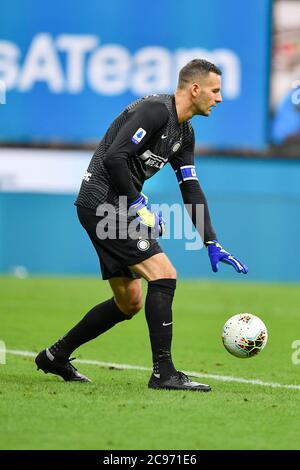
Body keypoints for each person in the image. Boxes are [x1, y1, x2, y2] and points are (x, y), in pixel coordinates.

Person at [35, 59, 248, 392]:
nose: (219, 98)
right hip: (104, 204)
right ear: (195, 89)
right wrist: (138, 204)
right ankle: (164, 373)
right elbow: (114, 158)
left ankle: (55, 355)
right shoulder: (154, 111)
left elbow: (190, 187)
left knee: (129, 302)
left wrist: (211, 242)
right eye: (215, 90)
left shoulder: (184, 133)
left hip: (113, 207)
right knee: (164, 274)